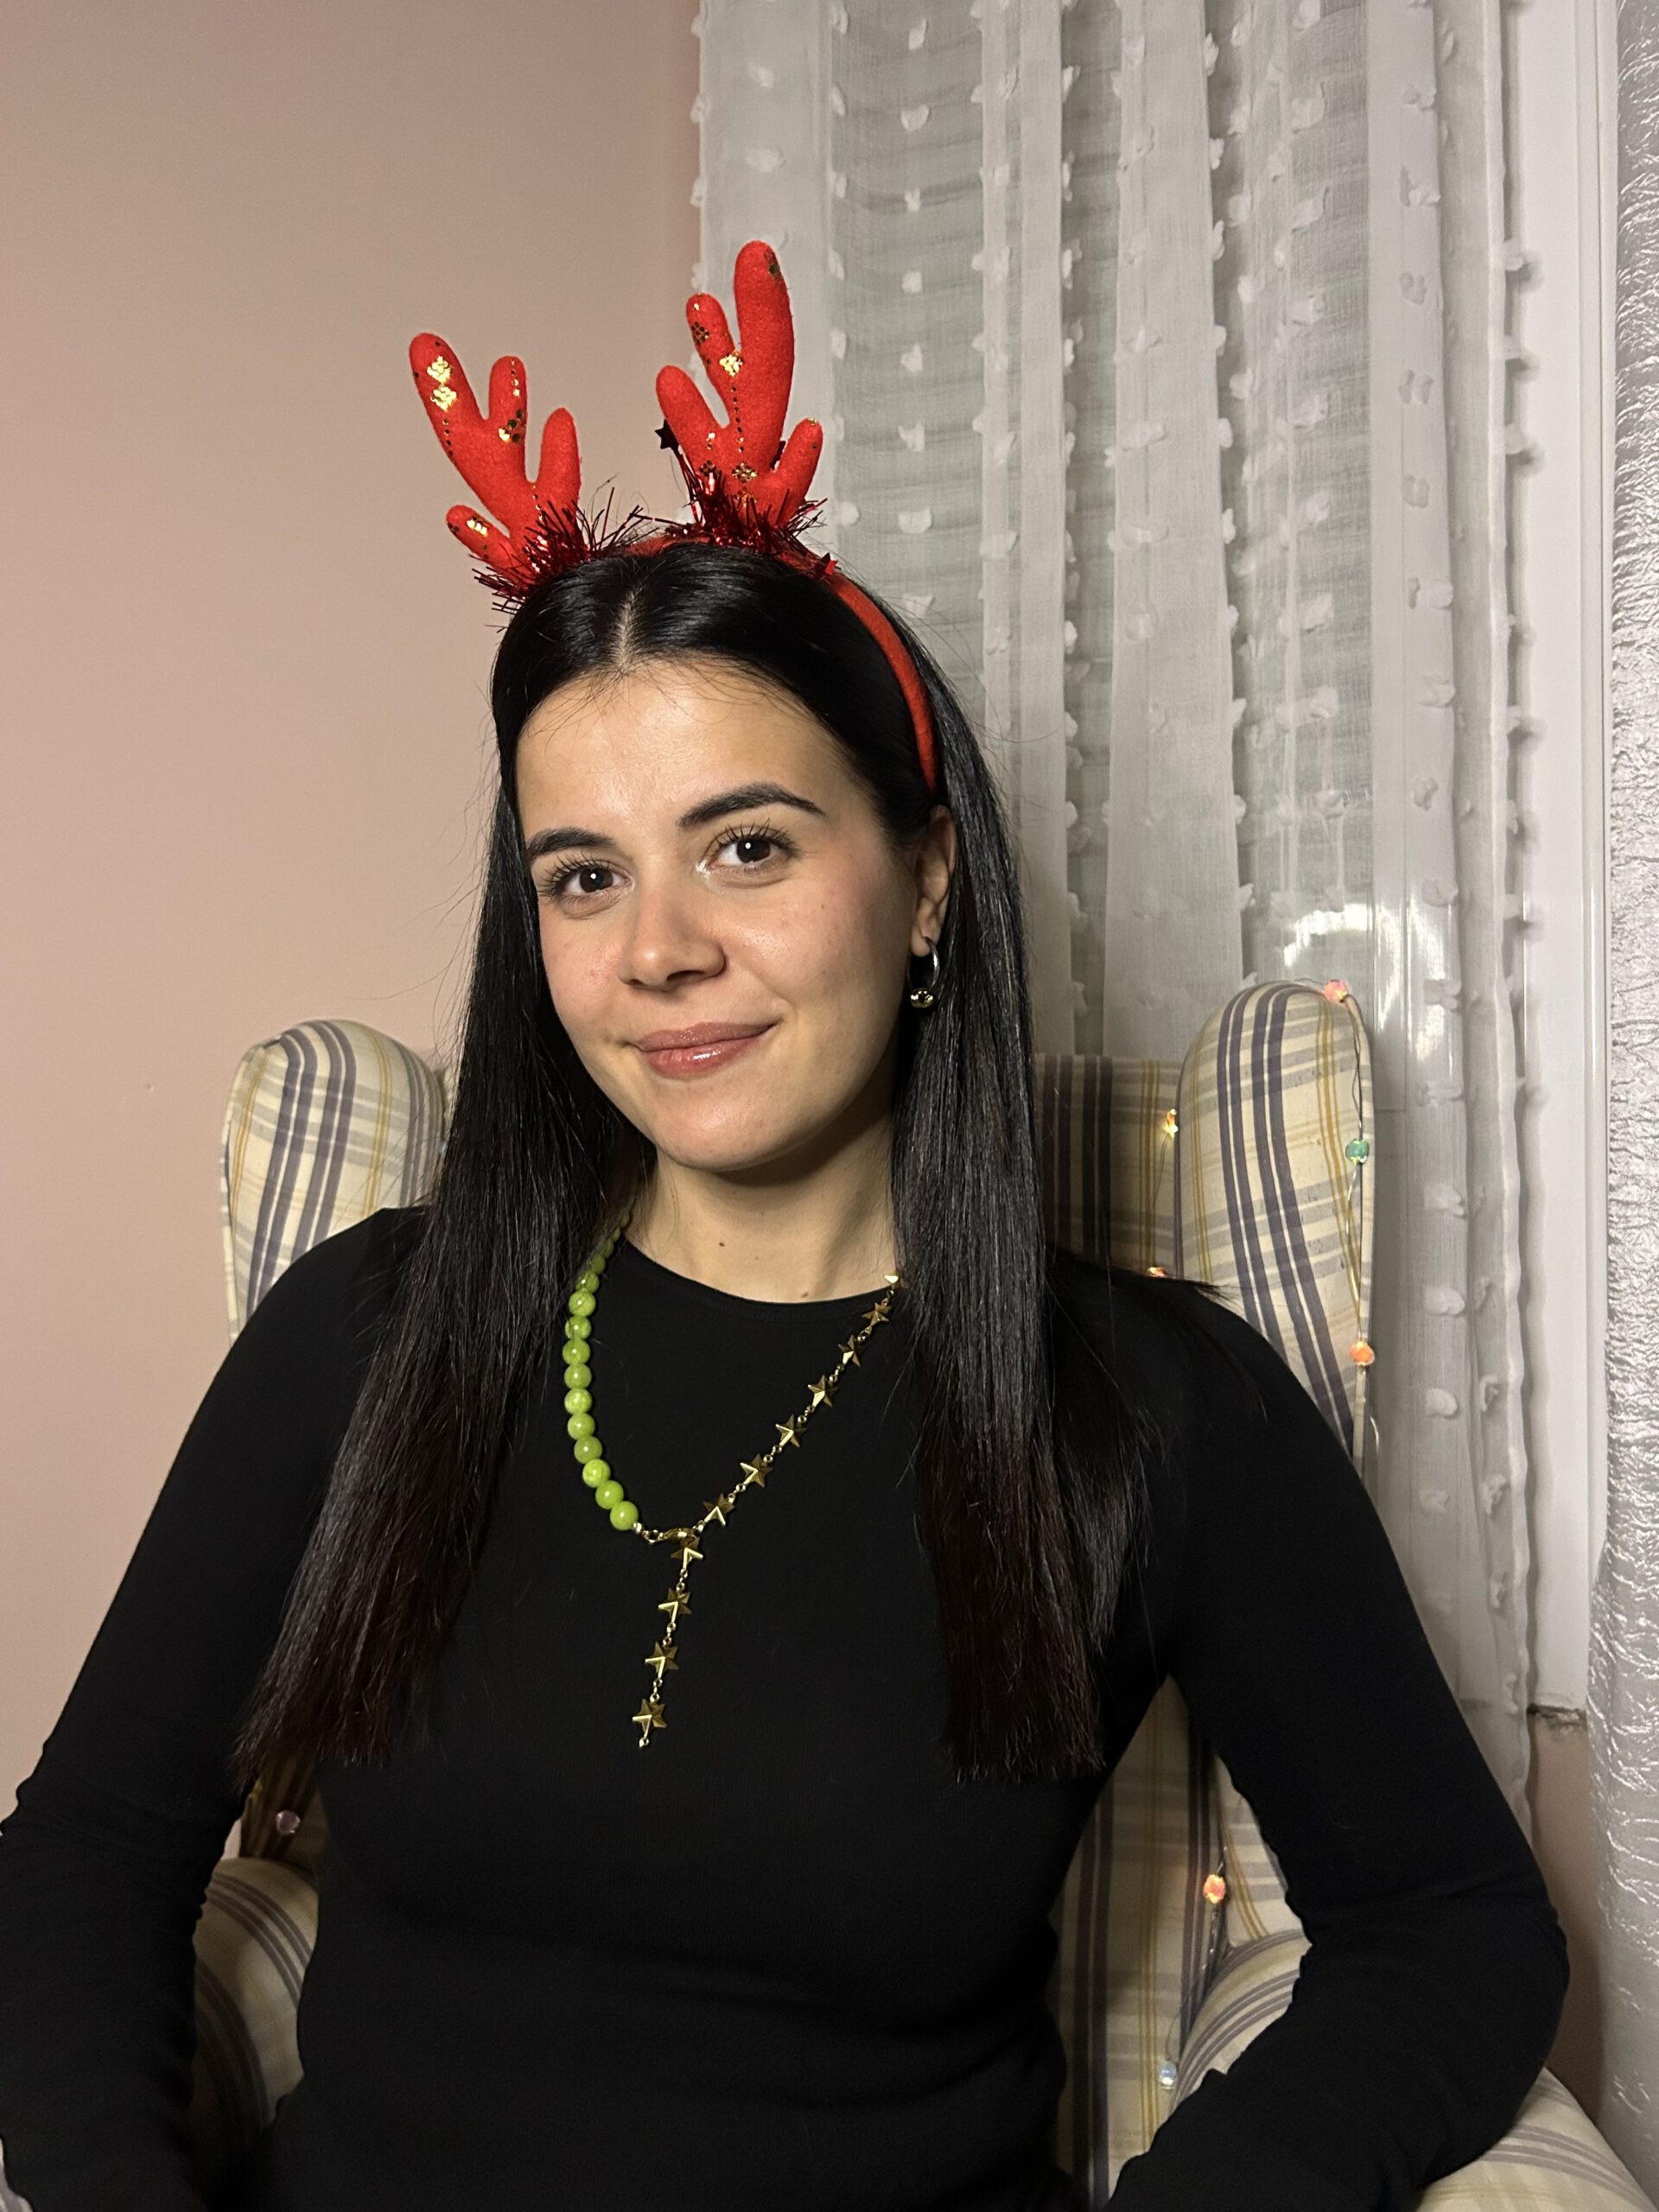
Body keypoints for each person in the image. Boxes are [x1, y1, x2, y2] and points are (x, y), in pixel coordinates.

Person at [0, 245, 1567, 2212]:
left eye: (746, 844)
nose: (659, 949)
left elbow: (1452, 1928)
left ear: (927, 880)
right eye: (584, 876)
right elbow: (90, 1843)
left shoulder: (1156, 1409)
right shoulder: (368, 1336)